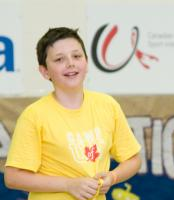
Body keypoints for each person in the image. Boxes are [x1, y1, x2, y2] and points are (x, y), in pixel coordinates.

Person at [3, 27, 142, 200]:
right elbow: (13, 177)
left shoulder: (107, 105)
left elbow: (133, 159)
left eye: (76, 56)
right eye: (59, 59)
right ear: (45, 71)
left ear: (86, 61)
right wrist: (68, 185)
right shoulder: (34, 115)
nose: (70, 63)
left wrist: (113, 177)